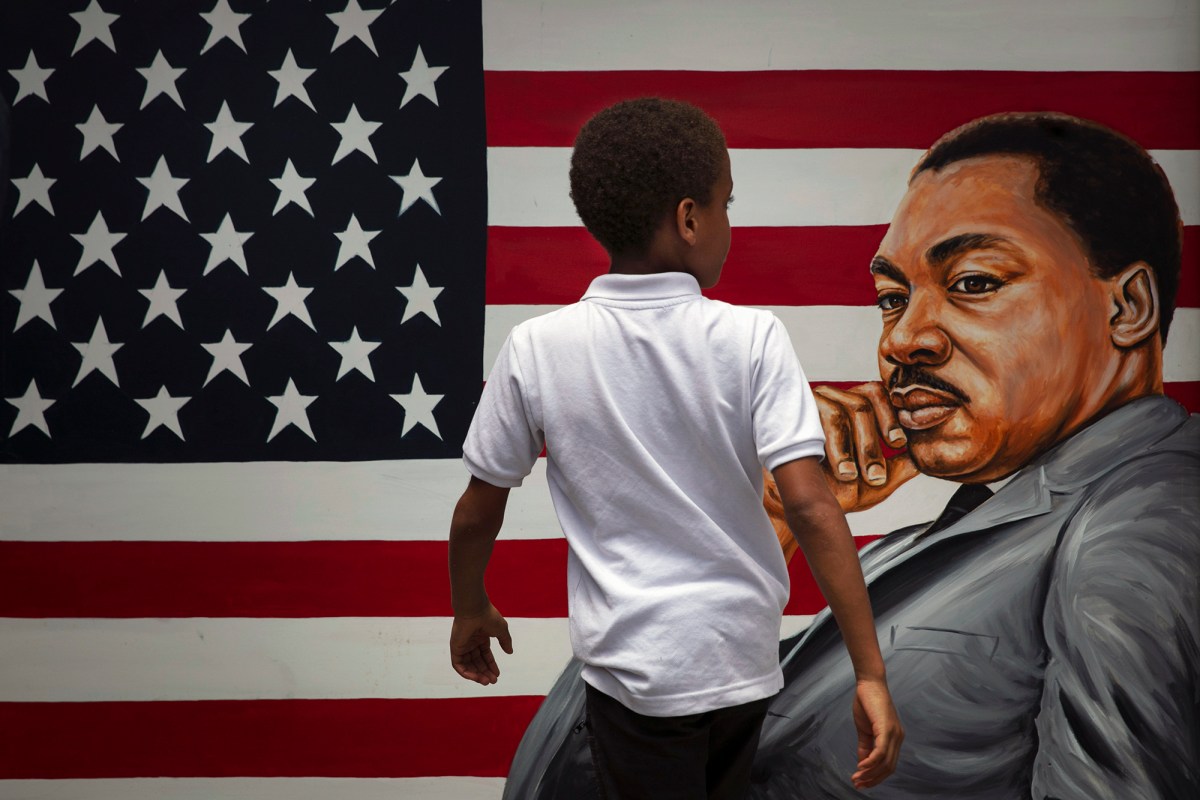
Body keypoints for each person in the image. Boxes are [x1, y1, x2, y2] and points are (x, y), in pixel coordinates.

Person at [506, 112, 1198, 800]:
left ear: (1129, 307)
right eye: (893, 298)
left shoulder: (1144, 520)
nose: (904, 340)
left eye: (974, 282)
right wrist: (762, 519)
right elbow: (568, 782)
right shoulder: (925, 548)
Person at [448, 97, 902, 799]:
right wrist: (870, 672)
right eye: (726, 204)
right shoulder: (752, 337)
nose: (729, 224)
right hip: (740, 660)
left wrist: (471, 605)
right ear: (690, 220)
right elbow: (811, 506)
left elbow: (480, 508)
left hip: (633, 671)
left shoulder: (538, 347)